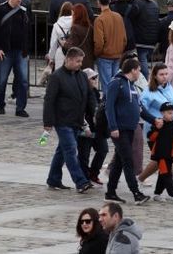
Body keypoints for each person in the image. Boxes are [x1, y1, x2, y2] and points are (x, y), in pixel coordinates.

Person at [43, 46, 95, 193]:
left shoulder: (82, 76)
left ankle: (53, 179)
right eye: (78, 61)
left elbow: (89, 96)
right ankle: (81, 181)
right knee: (71, 150)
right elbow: (49, 100)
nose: (80, 64)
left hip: (76, 120)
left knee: (62, 151)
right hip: (62, 121)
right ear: (69, 59)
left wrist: (95, 113)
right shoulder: (56, 77)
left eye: (81, 61)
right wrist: (47, 123)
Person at [104, 57, 153, 205]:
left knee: (119, 162)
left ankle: (110, 192)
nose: (140, 72)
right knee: (128, 160)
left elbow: (139, 108)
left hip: (130, 128)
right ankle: (136, 193)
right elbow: (109, 107)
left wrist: (153, 120)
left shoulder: (131, 85)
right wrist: (113, 127)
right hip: (120, 129)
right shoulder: (116, 83)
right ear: (132, 70)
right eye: (138, 70)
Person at [137, 63, 173, 185]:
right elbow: (141, 110)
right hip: (157, 131)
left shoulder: (170, 88)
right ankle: (172, 189)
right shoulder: (148, 92)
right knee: (165, 160)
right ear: (154, 76)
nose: (165, 77)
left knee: (162, 160)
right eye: (161, 74)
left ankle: (142, 180)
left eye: (166, 74)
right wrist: (155, 120)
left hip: (172, 130)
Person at [0, 0, 31, 117]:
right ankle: (0, 104)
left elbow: (28, 30)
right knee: (2, 80)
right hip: (5, 51)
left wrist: (27, 49)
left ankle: (20, 108)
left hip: (21, 51)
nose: (19, 0)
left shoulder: (24, 10)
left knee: (23, 81)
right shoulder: (0, 10)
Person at [148, 102, 173, 203]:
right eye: (169, 113)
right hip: (160, 155)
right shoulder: (158, 124)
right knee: (166, 174)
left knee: (163, 174)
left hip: (170, 155)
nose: (172, 115)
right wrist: (157, 129)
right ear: (162, 113)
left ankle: (157, 194)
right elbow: (151, 138)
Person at [78, 67, 108, 186]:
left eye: (96, 77)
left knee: (103, 150)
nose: (95, 80)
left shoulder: (95, 92)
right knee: (83, 155)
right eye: (92, 78)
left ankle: (93, 173)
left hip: (97, 128)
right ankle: (84, 178)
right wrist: (85, 126)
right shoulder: (81, 93)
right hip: (85, 128)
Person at [93, 0, 127, 90]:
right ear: (110, 1)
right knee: (115, 84)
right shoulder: (118, 17)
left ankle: (108, 104)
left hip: (104, 56)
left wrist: (97, 54)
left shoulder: (99, 20)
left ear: (98, 2)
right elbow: (124, 38)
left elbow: (99, 42)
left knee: (107, 85)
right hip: (117, 54)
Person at [127, 0, 159, 78]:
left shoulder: (137, 3)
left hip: (140, 38)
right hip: (152, 39)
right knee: (144, 59)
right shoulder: (154, 4)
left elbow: (129, 17)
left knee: (142, 61)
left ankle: (146, 81)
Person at [45, 2, 75, 83]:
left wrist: (51, 57)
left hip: (60, 52)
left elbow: (53, 42)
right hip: (73, 52)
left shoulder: (57, 25)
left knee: (60, 77)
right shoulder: (75, 23)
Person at [66, 3, 96, 70]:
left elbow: (73, 47)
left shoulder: (75, 28)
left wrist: (64, 44)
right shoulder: (90, 28)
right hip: (89, 61)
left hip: (79, 61)